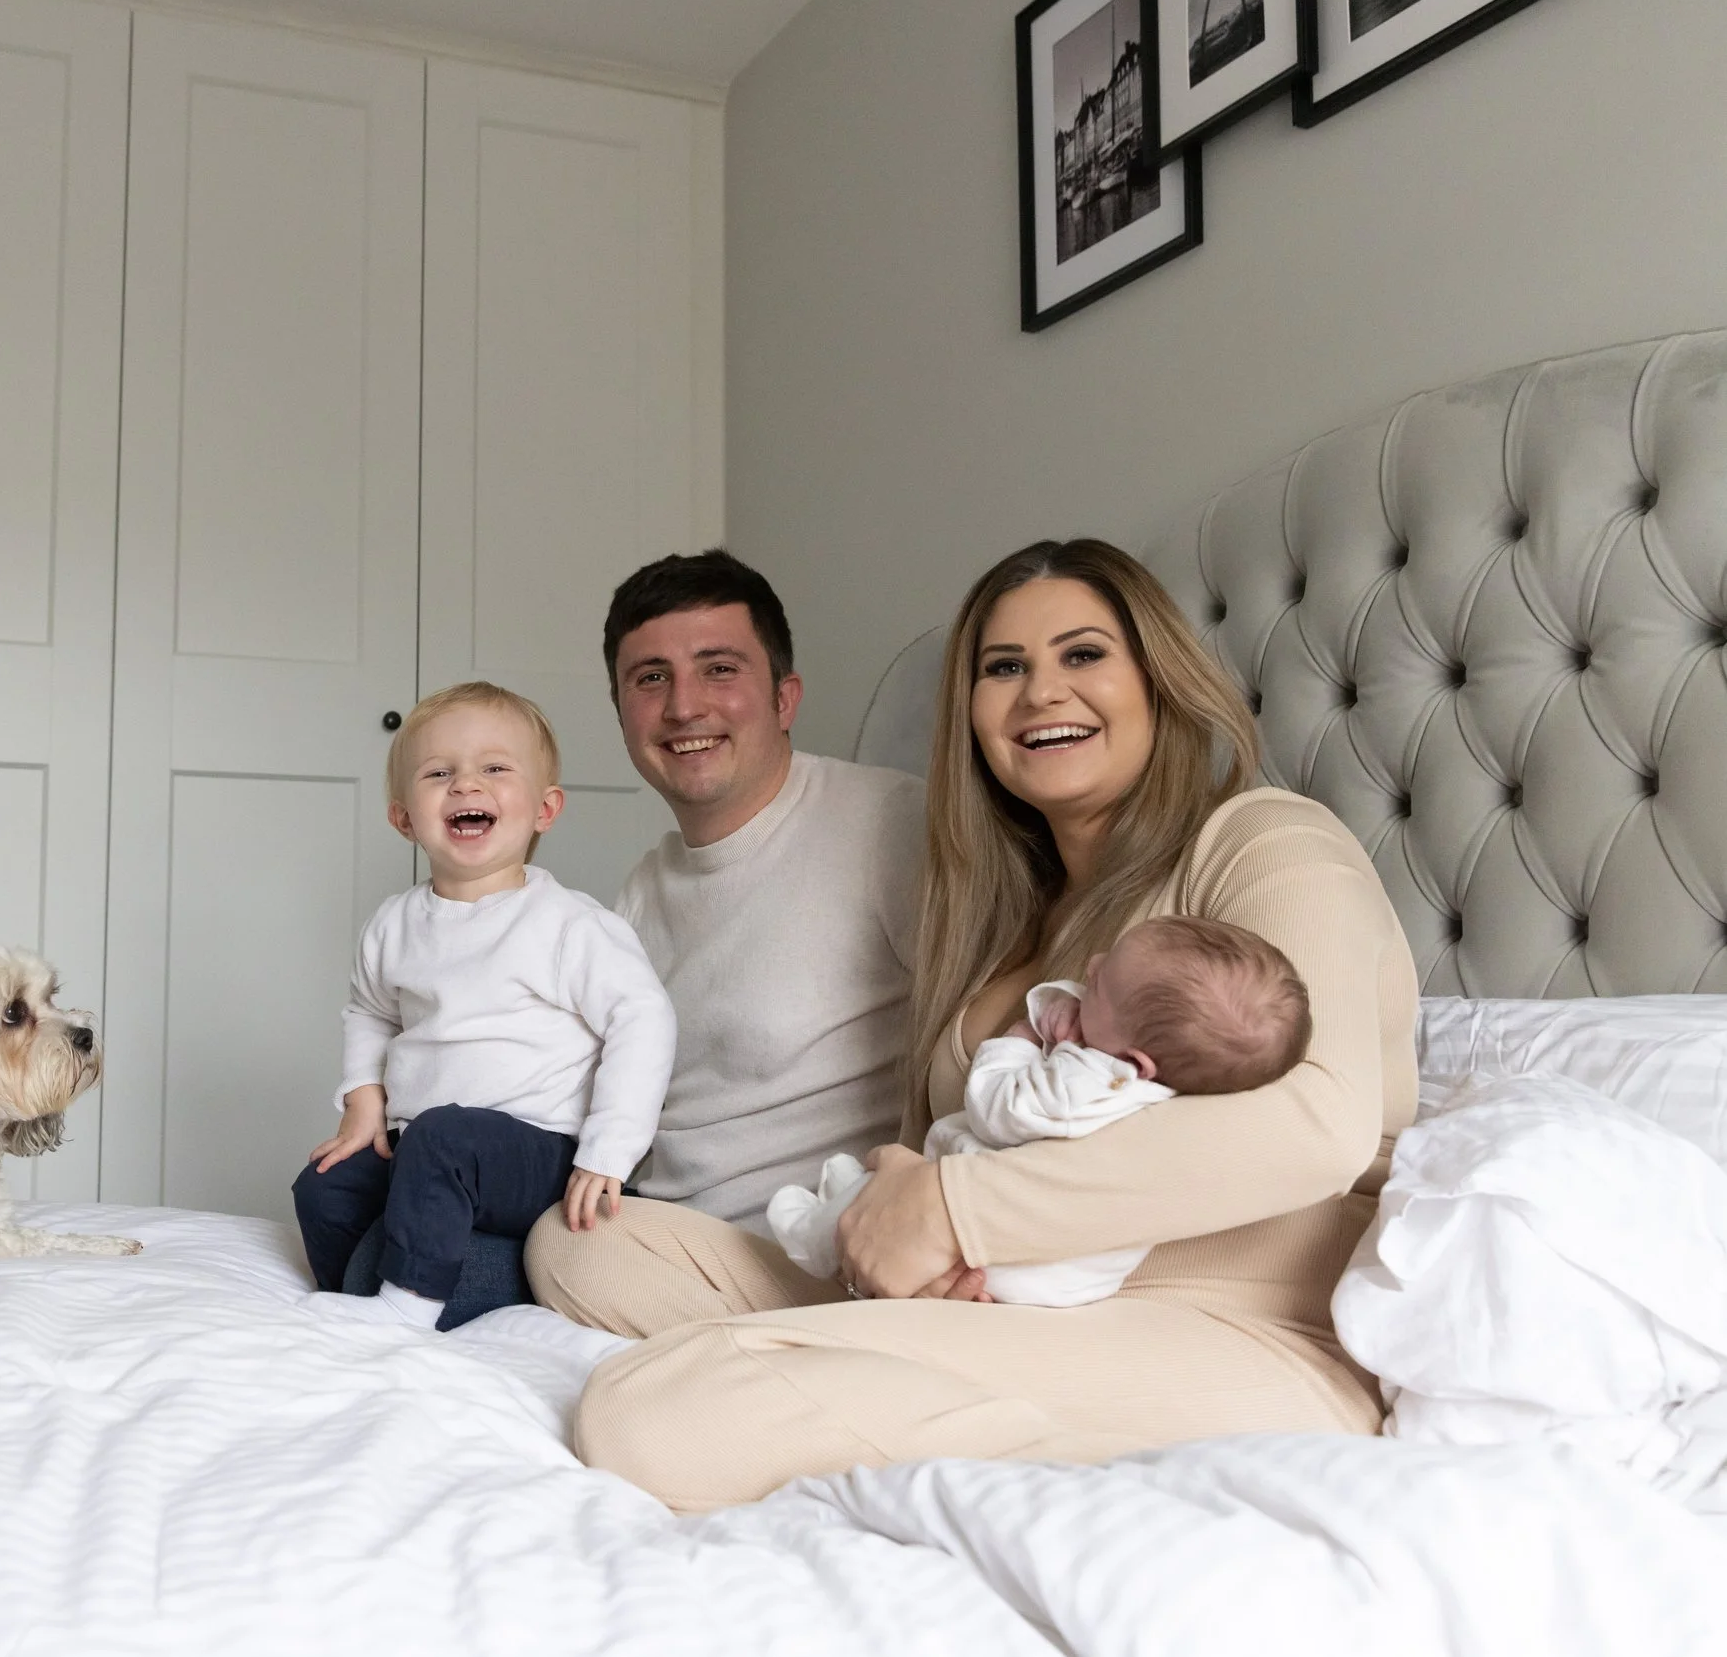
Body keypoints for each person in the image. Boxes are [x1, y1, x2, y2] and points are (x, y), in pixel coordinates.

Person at [560, 538, 1418, 1511]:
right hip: (1008, 1297)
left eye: (1082, 654)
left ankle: (1025, 1462)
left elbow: (1318, 1124)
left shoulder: (1262, 840)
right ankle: (900, 1382)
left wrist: (953, 1210)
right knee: (581, 1242)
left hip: (1234, 1322)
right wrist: (901, 1187)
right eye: (1004, 667)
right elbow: (955, 1134)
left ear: (1155, 678)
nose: (1041, 691)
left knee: (648, 1411)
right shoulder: (1003, 908)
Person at [521, 551, 927, 1326]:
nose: (683, 706)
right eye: (650, 679)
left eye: (718, 669)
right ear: (621, 714)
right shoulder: (640, 892)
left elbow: (973, 1054)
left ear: (785, 697)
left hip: (808, 1252)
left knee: (561, 1248)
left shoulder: (892, 825)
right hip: (655, 1229)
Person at [291, 682, 676, 1329]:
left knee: (445, 1134)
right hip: (429, 1153)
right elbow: (370, 1009)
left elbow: (643, 1019)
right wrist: (364, 1100)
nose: (466, 784)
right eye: (439, 772)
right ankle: (355, 1296)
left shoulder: (566, 923)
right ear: (404, 817)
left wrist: (608, 1151)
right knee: (326, 1184)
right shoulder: (395, 923)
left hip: (541, 1152)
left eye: (495, 768)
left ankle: (404, 1311)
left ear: (545, 808)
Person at [768, 913, 1314, 1307]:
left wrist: (1021, 1038)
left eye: (1098, 985)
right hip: (1062, 1282)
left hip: (1002, 1260)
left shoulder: (1090, 1081)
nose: (1092, 964)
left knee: (847, 1212)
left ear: (1135, 1062)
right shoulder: (1152, 1085)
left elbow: (997, 1108)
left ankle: (809, 1232)